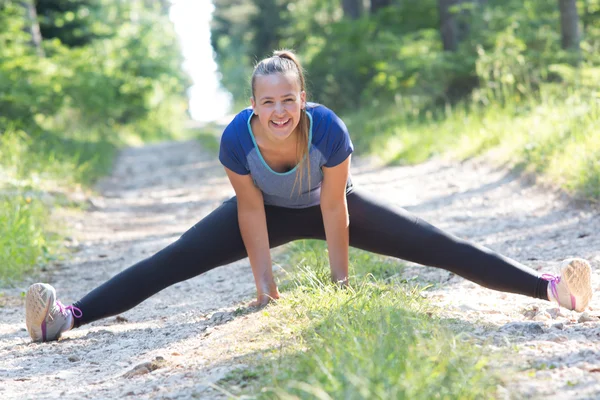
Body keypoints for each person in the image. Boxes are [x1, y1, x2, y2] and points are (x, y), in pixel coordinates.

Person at [25, 50, 594, 343]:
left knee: (439, 244)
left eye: (288, 100)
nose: (279, 111)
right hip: (267, 213)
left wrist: (341, 284)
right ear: (253, 107)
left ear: (302, 99)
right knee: (170, 261)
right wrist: (265, 289)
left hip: (327, 205)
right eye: (267, 102)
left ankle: (554, 291)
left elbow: (334, 207)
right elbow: (251, 212)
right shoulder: (235, 140)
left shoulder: (327, 130)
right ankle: (65, 319)